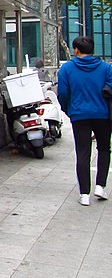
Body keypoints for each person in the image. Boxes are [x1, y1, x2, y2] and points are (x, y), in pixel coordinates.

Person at [57, 36, 112, 206]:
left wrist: (69, 110)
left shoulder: (67, 69)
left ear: (76, 50)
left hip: (79, 115)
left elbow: (63, 93)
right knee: (104, 149)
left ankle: (84, 194)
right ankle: (100, 186)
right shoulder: (106, 68)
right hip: (103, 114)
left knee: (83, 153)